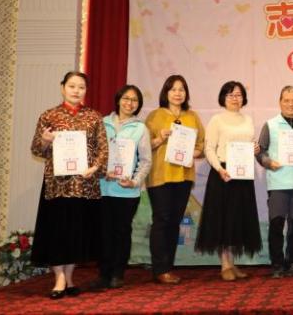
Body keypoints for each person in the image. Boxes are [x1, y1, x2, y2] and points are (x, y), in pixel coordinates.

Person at [30, 71, 109, 299]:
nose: (76, 90)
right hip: (57, 185)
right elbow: (36, 149)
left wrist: (95, 167)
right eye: (72, 86)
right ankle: (59, 279)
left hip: (84, 186)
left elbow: (103, 149)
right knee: (57, 233)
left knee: (76, 234)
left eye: (81, 87)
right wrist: (45, 140)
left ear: (86, 90)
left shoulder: (94, 117)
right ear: (62, 87)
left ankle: (70, 277)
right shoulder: (49, 116)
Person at [195, 81, 262, 281]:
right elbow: (209, 148)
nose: (235, 98)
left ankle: (232, 263)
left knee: (237, 218)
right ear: (223, 98)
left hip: (243, 173)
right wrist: (219, 169)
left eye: (239, 95)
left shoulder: (247, 119)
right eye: (231, 95)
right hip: (223, 173)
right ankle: (224, 264)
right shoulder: (217, 120)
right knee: (223, 218)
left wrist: (255, 148)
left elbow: (249, 145)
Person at [90, 84, 152, 290]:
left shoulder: (140, 128)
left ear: (138, 105)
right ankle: (103, 274)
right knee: (103, 232)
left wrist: (134, 181)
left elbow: (146, 161)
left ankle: (118, 273)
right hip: (102, 188)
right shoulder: (102, 123)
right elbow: (93, 154)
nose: (129, 103)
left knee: (122, 232)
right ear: (118, 100)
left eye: (134, 100)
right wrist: (101, 171)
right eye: (126, 98)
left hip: (127, 191)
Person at [145, 74, 205, 284]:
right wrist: (159, 139)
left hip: (184, 176)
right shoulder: (154, 116)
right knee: (161, 220)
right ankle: (159, 269)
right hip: (160, 176)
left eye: (182, 89)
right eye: (173, 89)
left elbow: (201, 146)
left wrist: (194, 153)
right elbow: (144, 146)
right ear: (166, 93)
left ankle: (168, 267)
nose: (178, 93)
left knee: (174, 222)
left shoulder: (192, 116)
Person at [256, 86, 293, 278]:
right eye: (286, 100)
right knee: (277, 224)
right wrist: (268, 162)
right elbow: (260, 151)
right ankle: (277, 265)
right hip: (278, 183)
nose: (291, 104)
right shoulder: (270, 125)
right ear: (280, 102)